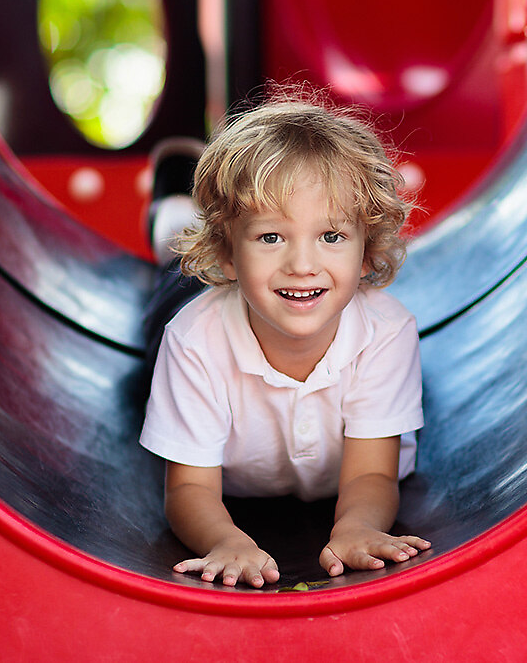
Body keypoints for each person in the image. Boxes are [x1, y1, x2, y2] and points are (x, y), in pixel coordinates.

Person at [139, 93, 429, 589]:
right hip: (212, 297)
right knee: (173, 276)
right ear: (229, 254)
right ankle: (172, 210)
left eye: (331, 237)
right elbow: (188, 488)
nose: (301, 263)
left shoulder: (386, 332)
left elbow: (372, 475)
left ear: (366, 255)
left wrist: (357, 526)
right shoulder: (194, 340)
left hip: (259, 293)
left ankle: (188, 216)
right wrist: (224, 540)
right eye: (271, 236)